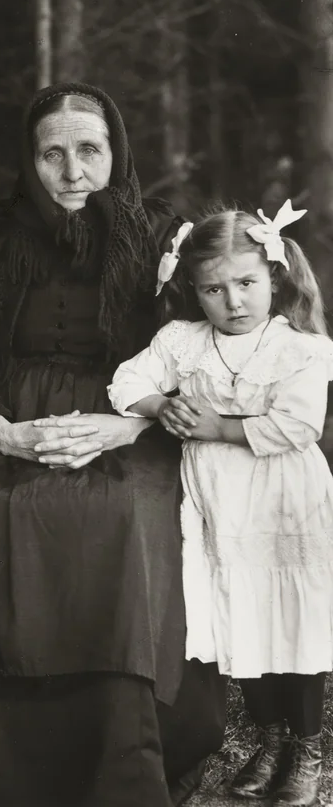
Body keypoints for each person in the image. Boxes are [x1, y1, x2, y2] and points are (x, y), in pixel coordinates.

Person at [0, 83, 229, 807]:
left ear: (114, 153)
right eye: (51, 153)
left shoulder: (158, 233)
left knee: (119, 512)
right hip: (7, 412)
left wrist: (132, 422)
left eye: (88, 150)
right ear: (30, 160)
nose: (71, 171)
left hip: (128, 415)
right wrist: (3, 430)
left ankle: (121, 744)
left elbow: (196, 352)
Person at [110, 202, 331, 807]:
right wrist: (161, 406)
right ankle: (269, 738)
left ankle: (307, 747)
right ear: (193, 291)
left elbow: (300, 425)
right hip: (220, 507)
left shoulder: (300, 347)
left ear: (274, 279)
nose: (234, 301)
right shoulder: (182, 341)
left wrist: (218, 427)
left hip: (285, 501)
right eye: (215, 289)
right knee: (244, 620)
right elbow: (127, 380)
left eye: (246, 283)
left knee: (293, 622)